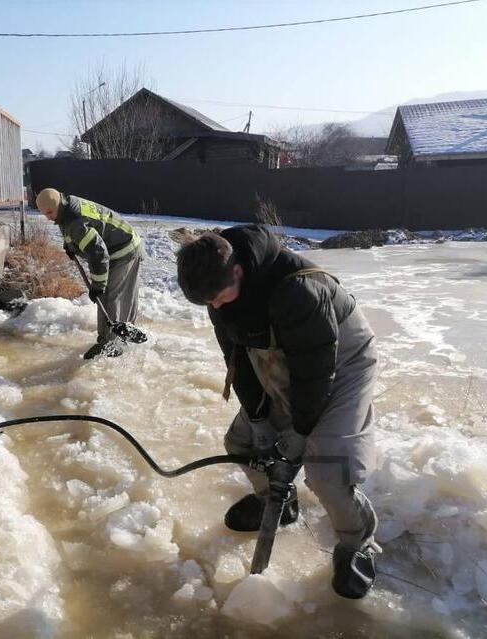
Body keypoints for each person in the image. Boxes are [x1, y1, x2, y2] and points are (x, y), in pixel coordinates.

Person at [176, 225, 381, 599]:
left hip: (342, 360)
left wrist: (299, 434)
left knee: (326, 466)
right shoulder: (217, 291)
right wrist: (258, 421)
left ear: (237, 271)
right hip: (290, 356)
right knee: (241, 442)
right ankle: (280, 503)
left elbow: (315, 374)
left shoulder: (298, 291)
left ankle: (357, 541)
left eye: (219, 299)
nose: (216, 308)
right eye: (209, 304)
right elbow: (237, 361)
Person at [35, 188, 143, 359]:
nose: (48, 217)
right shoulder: (66, 206)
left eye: (49, 213)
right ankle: (113, 338)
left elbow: (98, 254)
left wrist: (97, 286)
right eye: (44, 214)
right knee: (111, 295)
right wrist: (71, 245)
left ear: (57, 204)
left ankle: (112, 343)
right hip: (115, 246)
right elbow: (75, 228)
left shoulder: (73, 220)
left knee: (110, 296)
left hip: (124, 249)